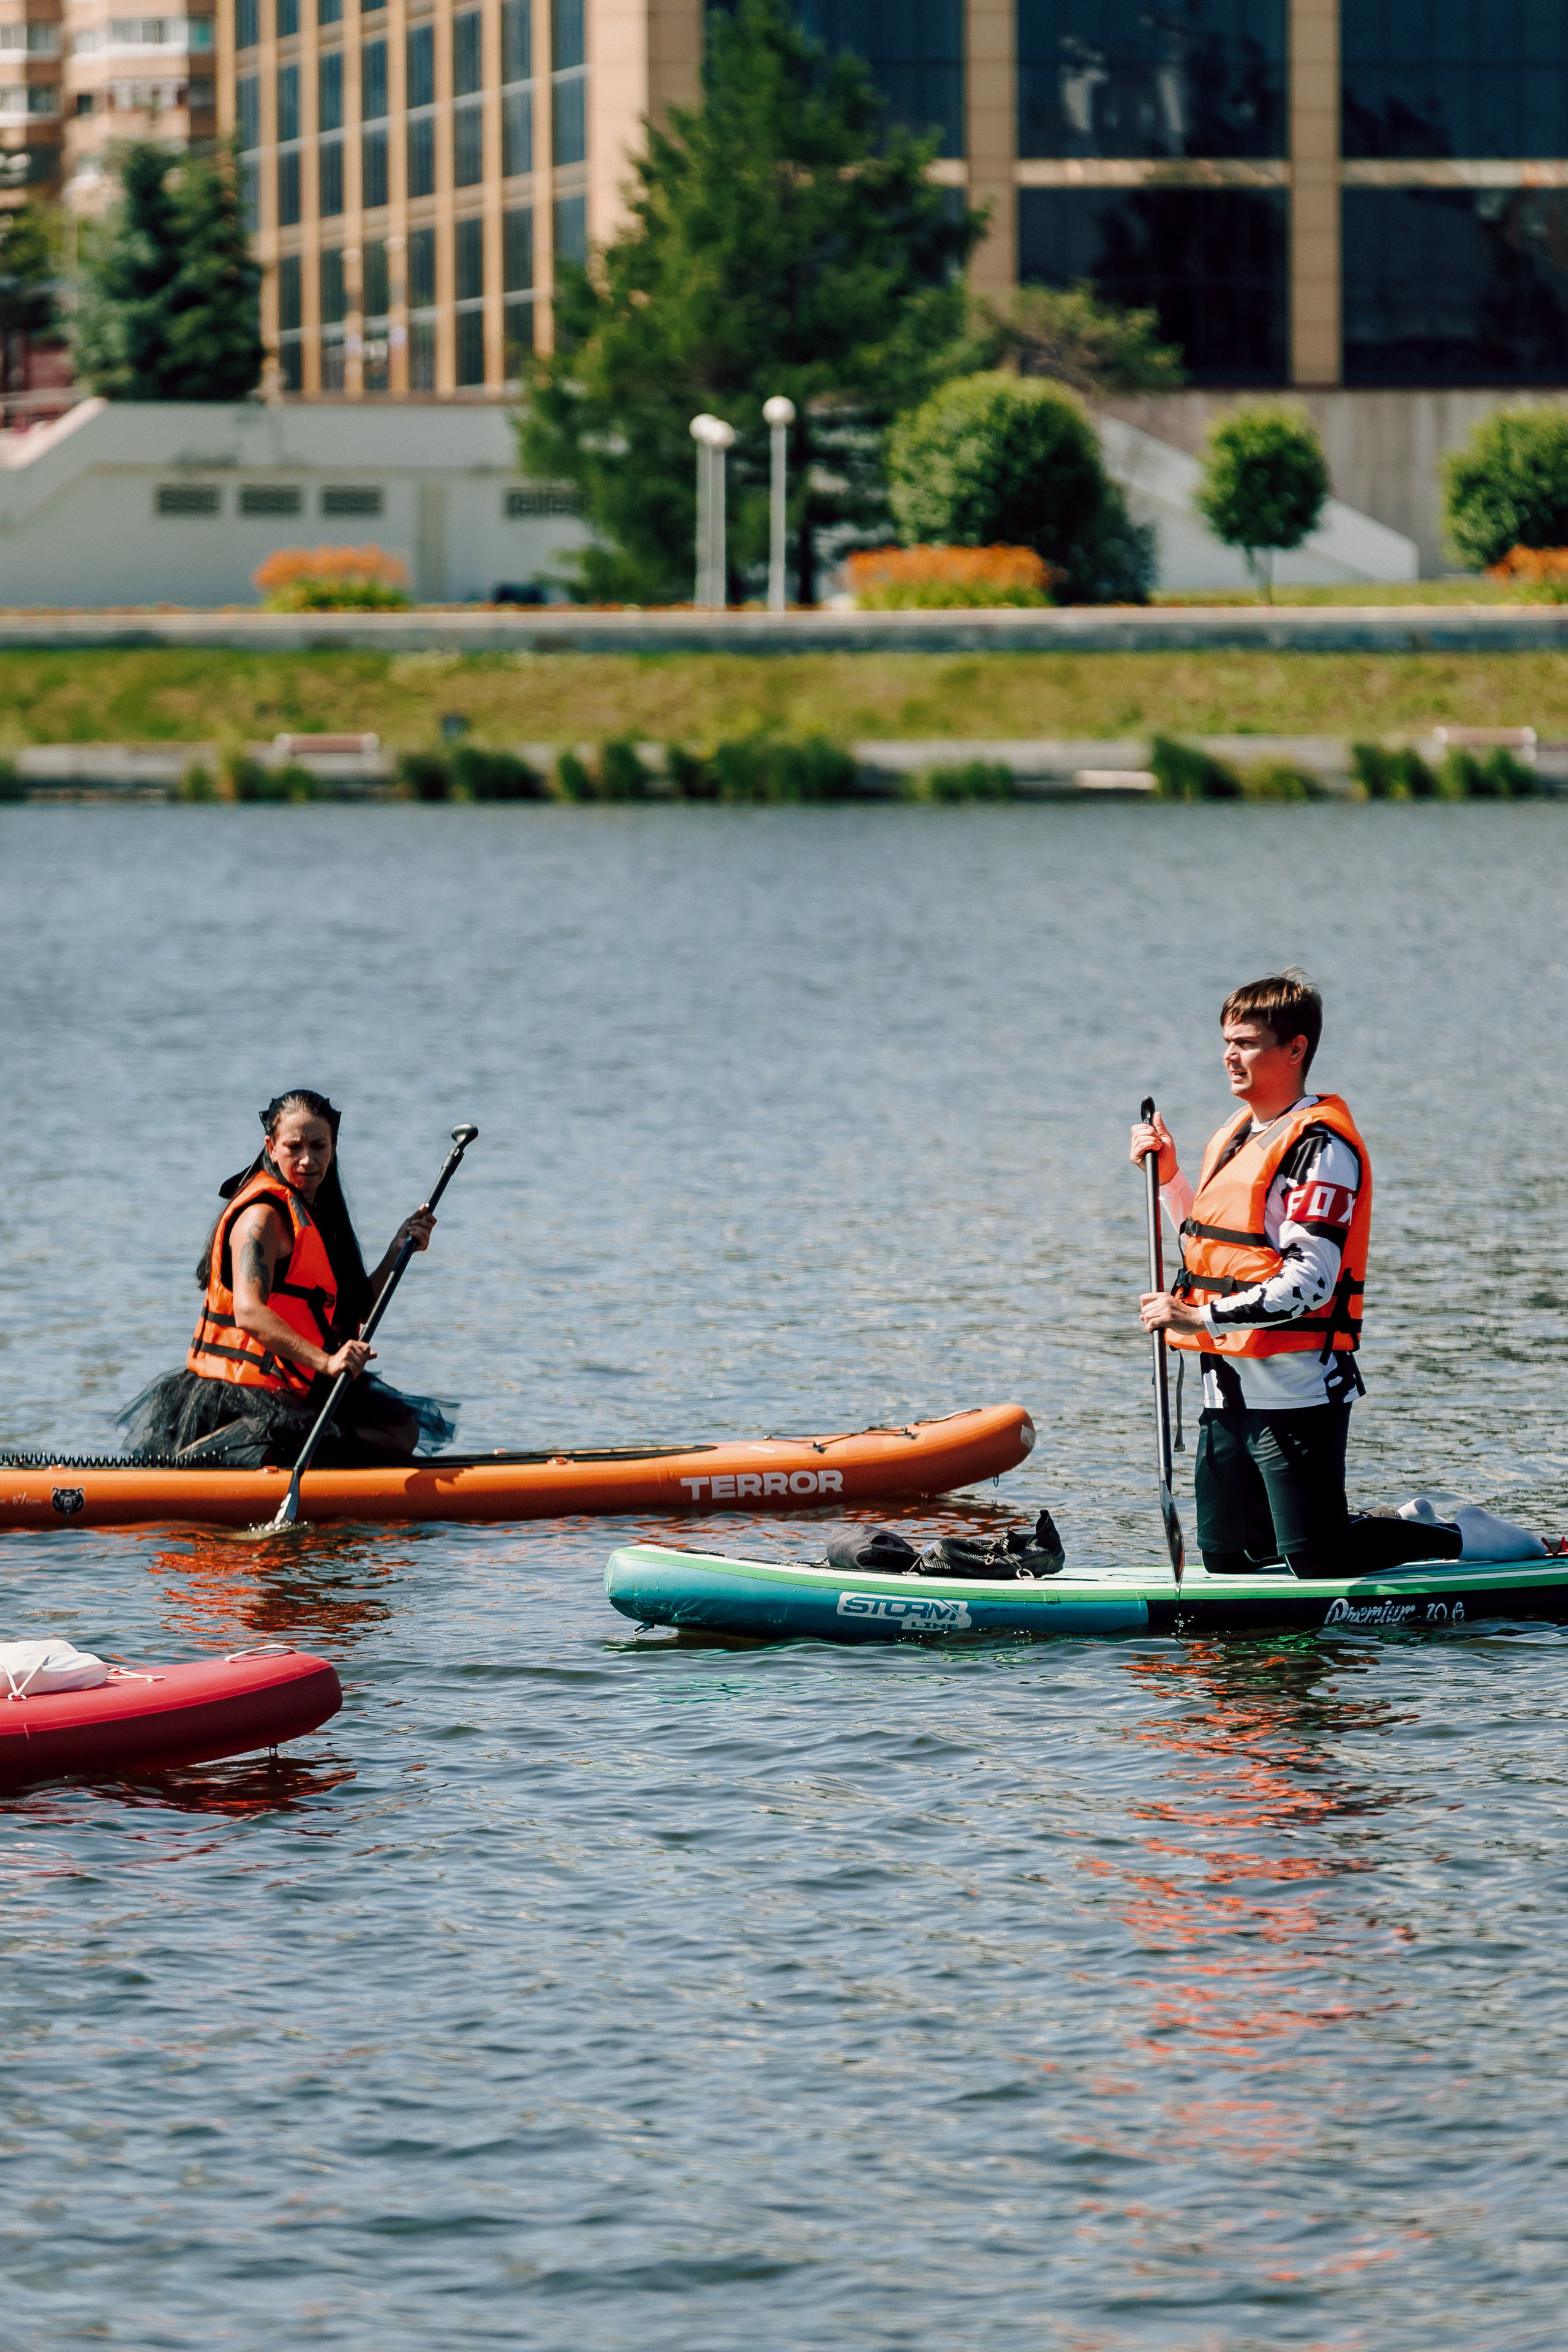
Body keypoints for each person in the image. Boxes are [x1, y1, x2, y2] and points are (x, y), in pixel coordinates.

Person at [1128, 972, 1466, 1580]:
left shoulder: (1320, 1147)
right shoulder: (1234, 1135)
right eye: (1226, 1041)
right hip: (1225, 1384)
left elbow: (1312, 1282)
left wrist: (1197, 1316)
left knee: (1316, 1559)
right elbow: (1213, 1246)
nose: (1230, 1055)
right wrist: (1169, 1178)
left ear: (1295, 1049)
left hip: (1296, 1389)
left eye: (1248, 1042)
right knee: (1226, 1558)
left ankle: (1460, 1538)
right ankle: (1369, 1525)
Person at [121, 1090, 456, 1468]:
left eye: (319, 1146)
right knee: (392, 1438)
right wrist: (329, 1363)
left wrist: (398, 1249)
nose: (308, 1159)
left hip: (297, 1384)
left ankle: (300, 1463)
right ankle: (237, 1450)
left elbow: (356, 1308)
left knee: (401, 1430)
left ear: (333, 1146)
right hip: (242, 1393)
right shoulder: (262, 1217)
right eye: (294, 1146)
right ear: (271, 1146)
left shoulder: (316, 1214)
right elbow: (249, 1312)